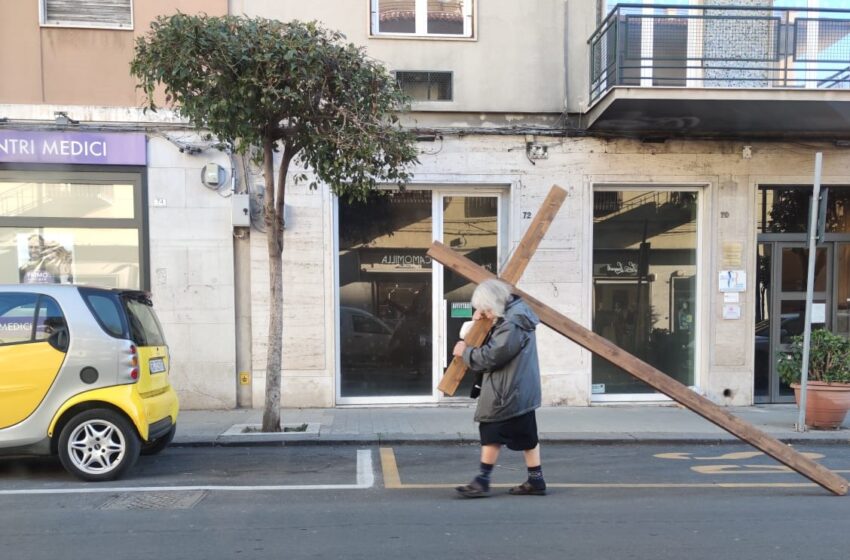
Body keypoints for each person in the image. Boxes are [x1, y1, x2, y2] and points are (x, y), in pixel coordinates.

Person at [452, 279, 545, 498]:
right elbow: (499, 341)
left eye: (486, 308)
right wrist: (482, 321)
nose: (485, 312)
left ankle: (483, 480)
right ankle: (536, 480)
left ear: (495, 303)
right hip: (517, 389)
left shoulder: (512, 323)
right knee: (526, 435)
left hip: (507, 391)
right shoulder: (513, 316)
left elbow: (493, 355)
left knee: (491, 430)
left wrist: (465, 352)